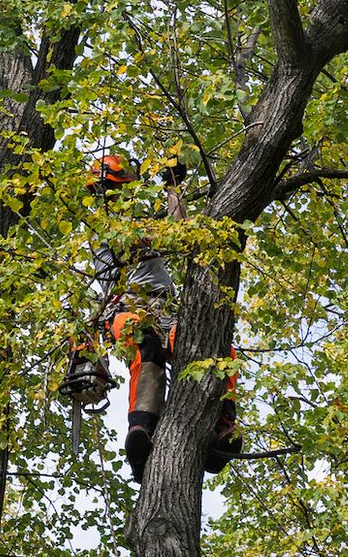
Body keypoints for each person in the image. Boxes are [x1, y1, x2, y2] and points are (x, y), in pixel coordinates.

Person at [62, 151, 241, 482]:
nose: (109, 197)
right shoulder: (107, 228)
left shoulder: (138, 219)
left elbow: (187, 234)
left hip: (168, 308)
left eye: (114, 190)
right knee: (147, 349)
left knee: (218, 352)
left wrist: (173, 188)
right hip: (125, 309)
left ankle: (222, 427)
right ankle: (142, 428)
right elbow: (173, 235)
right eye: (104, 191)